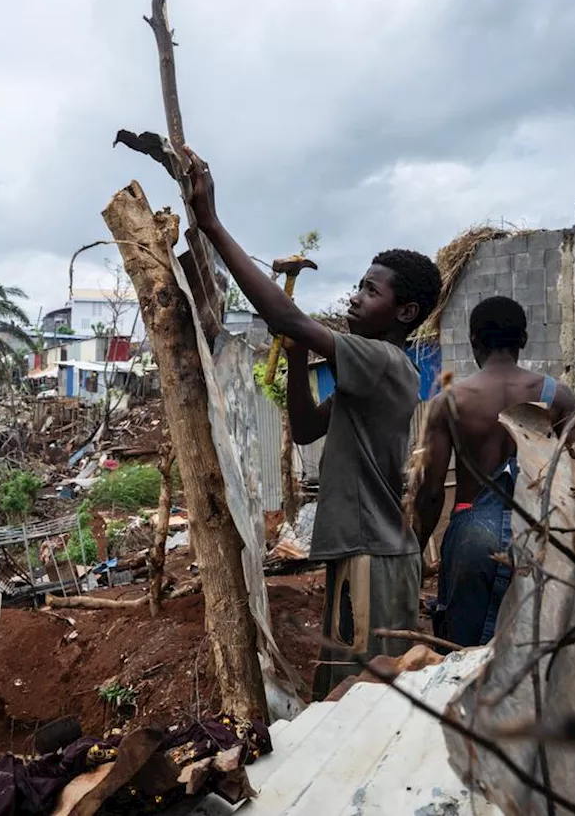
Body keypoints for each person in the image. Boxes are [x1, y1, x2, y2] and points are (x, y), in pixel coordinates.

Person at [183, 147, 443, 697]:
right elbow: (303, 429)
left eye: (371, 290)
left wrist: (211, 224)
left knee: (371, 702)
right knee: (350, 692)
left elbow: (283, 314)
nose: (356, 296)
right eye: (359, 285)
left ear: (405, 313)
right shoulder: (369, 371)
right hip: (362, 551)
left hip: (376, 556)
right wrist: (297, 349)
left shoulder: (383, 361)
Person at [415, 295, 575, 648]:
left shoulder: (449, 401)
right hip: (539, 530)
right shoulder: (557, 395)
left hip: (471, 532)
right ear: (523, 340)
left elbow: (432, 490)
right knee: (535, 650)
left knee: (461, 655)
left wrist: (417, 548)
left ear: (474, 341)